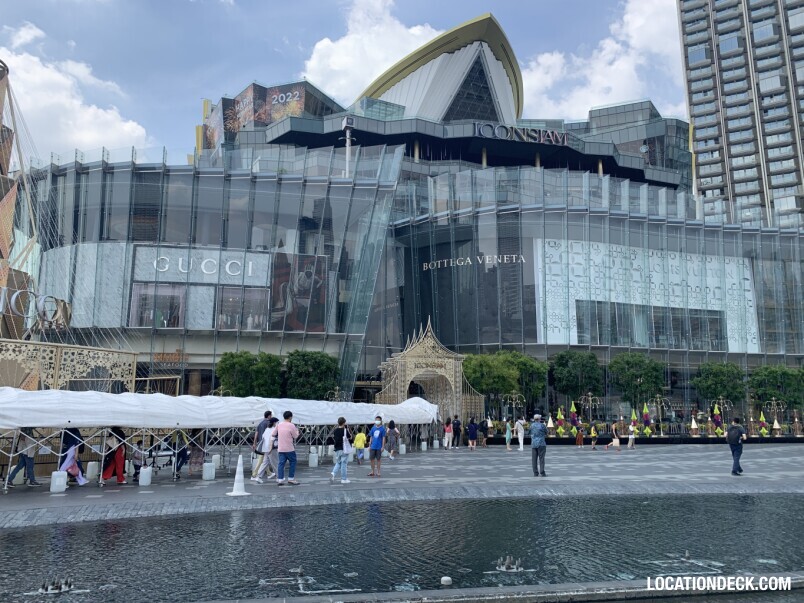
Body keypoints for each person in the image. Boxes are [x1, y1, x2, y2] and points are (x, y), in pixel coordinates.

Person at [274, 410, 300, 485]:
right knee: (293, 462)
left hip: (281, 448)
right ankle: (291, 479)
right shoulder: (291, 425)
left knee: (281, 464)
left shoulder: (279, 424)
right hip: (289, 448)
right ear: (290, 417)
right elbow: (295, 436)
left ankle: (280, 479)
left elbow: (273, 434)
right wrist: (297, 431)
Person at [256, 417, 279, 482]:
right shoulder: (274, 430)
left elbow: (263, 437)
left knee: (265, 462)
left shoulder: (267, 429)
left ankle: (259, 476)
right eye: (277, 422)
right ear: (274, 422)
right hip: (272, 448)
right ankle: (278, 477)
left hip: (265, 448)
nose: (278, 423)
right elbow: (273, 439)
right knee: (275, 463)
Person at [251, 410, 272, 480]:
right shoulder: (268, 423)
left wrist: (254, 443)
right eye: (271, 415)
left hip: (261, 443)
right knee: (262, 459)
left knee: (264, 459)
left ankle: (269, 473)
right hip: (266, 444)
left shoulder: (260, 423)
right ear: (269, 416)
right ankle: (254, 474)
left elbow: (256, 433)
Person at [330, 417, 352, 484]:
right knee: (344, 464)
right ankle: (343, 479)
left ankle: (333, 473)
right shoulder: (345, 430)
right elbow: (350, 437)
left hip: (337, 449)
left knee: (338, 462)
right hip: (344, 449)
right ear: (344, 423)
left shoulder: (335, 430)